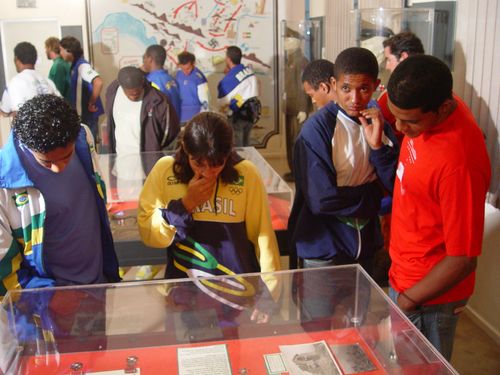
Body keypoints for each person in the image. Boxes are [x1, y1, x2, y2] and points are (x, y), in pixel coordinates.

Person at [385, 55, 491, 360]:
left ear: (443, 108)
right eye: (396, 116)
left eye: (411, 121)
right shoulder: (427, 95)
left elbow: (461, 259)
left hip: (426, 299)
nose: (401, 128)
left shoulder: (459, 163)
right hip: (403, 275)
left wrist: (407, 301)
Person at [138, 112, 281, 320]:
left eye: (217, 164)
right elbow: (148, 233)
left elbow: (263, 238)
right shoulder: (165, 170)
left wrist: (269, 295)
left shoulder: (246, 174)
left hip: (237, 298)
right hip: (184, 296)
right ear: (186, 150)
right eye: (198, 163)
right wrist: (185, 205)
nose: (208, 172)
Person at [0, 94, 120, 297]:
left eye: (66, 156)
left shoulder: (83, 138)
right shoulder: (5, 182)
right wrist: (48, 298)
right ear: (29, 147)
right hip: (49, 303)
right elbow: (4, 267)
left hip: (97, 285)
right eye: (46, 162)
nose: (58, 168)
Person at [105, 66, 180, 153]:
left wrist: (158, 154)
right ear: (122, 87)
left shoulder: (158, 101)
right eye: (130, 94)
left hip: (149, 160)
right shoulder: (112, 92)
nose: (133, 97)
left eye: (137, 93)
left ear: (142, 83)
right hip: (120, 157)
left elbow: (170, 133)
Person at [378, 32, 424, 142]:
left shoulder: (394, 94)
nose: (387, 66)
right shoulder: (432, 85)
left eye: (389, 59)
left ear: (403, 57)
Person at [59, 36, 104, 142]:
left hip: (87, 117)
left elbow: (98, 82)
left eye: (61, 50)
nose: (60, 54)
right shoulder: (75, 66)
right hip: (83, 116)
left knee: (89, 148)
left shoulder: (82, 66)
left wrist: (91, 102)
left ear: (68, 50)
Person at [217, 45, 260, 147]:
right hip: (251, 114)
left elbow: (223, 104)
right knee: (247, 145)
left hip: (237, 117)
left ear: (228, 59)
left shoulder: (227, 80)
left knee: (238, 149)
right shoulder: (250, 72)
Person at [0, 42, 59, 116]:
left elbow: (5, 112)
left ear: (16, 59)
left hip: (28, 126)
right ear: (34, 59)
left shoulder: (14, 83)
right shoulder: (49, 82)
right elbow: (61, 105)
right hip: (51, 125)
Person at [142, 44, 182, 118]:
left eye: (144, 57)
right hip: (174, 125)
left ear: (150, 59)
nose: (143, 61)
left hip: (160, 127)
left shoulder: (150, 82)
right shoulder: (172, 80)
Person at [175, 51, 209, 123]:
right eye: (183, 69)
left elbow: (206, 101)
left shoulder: (199, 78)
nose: (185, 72)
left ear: (193, 63)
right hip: (180, 116)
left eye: (188, 68)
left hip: (195, 117)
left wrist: (203, 119)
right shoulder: (178, 74)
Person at [45, 37, 71, 101]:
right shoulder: (64, 63)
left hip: (63, 105)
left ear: (50, 48)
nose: (45, 51)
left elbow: (57, 91)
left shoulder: (58, 65)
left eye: (46, 48)